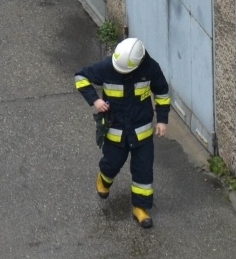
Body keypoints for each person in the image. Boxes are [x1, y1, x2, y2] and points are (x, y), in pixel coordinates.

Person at [73, 37, 170, 227]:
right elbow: (80, 77)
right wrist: (95, 100)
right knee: (112, 163)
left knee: (144, 171)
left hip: (141, 132)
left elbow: (162, 92)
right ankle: (104, 179)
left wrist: (163, 120)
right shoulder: (108, 66)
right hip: (116, 130)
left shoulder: (150, 68)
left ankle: (140, 208)